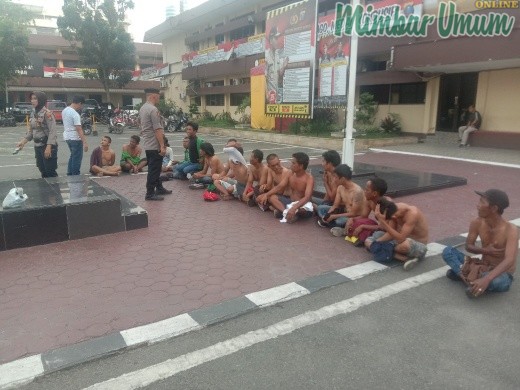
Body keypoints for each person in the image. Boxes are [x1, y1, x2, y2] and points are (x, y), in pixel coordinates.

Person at [442, 189, 518, 298]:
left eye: (482, 202)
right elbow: (469, 246)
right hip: (482, 265)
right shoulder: (476, 222)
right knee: (448, 251)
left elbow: (509, 260)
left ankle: (467, 276)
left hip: (502, 274)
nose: (478, 205)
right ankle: (470, 280)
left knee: (496, 282)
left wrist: (486, 279)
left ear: (494, 208)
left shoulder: (511, 229)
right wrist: (486, 250)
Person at [366, 198, 429, 271]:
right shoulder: (392, 211)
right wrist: (376, 243)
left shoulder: (412, 214)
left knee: (404, 245)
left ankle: (388, 252)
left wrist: (383, 222)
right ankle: (404, 258)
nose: (394, 217)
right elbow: (390, 234)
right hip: (398, 240)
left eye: (393, 216)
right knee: (369, 241)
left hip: (417, 245)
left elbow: (401, 239)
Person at [317, 164, 371, 236]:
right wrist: (328, 215)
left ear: (342, 179)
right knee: (320, 208)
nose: (334, 179)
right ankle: (330, 222)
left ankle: (336, 225)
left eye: (335, 177)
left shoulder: (357, 191)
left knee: (339, 221)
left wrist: (334, 216)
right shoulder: (340, 187)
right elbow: (335, 206)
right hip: (344, 212)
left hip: (354, 217)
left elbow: (353, 214)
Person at [16, 91, 58, 178]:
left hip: (46, 146)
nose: (32, 101)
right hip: (38, 146)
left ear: (41, 100)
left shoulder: (47, 113)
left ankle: (54, 191)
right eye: (31, 99)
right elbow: (31, 132)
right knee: (42, 170)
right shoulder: (34, 113)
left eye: (35, 99)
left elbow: (52, 131)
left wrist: (49, 147)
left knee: (50, 172)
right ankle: (45, 191)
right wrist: (23, 142)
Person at [139, 88, 171, 201]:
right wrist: (162, 145)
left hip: (148, 144)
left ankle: (159, 187)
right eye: (158, 96)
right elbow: (157, 129)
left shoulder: (143, 108)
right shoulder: (153, 109)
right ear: (153, 96)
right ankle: (150, 193)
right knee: (154, 169)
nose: (159, 98)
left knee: (155, 168)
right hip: (154, 145)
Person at [265, 152, 315, 223]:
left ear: (301, 166)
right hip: (290, 202)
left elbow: (307, 197)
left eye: (293, 163)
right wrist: (266, 195)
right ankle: (285, 213)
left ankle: (290, 213)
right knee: (272, 197)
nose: (291, 165)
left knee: (305, 209)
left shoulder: (309, 178)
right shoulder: (290, 173)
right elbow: (280, 186)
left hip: (302, 204)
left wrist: (294, 208)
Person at [347, 177, 388, 245]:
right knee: (355, 222)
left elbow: (383, 227)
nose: (364, 191)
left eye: (367, 190)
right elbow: (364, 216)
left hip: (389, 231)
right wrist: (352, 219)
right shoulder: (369, 200)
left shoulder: (386, 205)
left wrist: (362, 226)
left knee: (377, 234)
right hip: (379, 227)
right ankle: (360, 238)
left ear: (374, 193)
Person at [62, 95, 88, 175]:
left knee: (73, 156)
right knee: (77, 158)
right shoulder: (75, 114)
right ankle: (75, 175)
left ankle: (70, 174)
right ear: (79, 103)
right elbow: (79, 129)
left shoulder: (65, 110)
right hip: (75, 137)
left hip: (67, 136)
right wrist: (84, 142)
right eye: (82, 105)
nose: (81, 107)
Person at [265, 26, 288, 104]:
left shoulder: (278, 55)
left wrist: (284, 66)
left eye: (278, 38)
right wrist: (266, 97)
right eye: (275, 38)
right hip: (269, 97)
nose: (277, 41)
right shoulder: (266, 57)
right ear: (271, 40)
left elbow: (280, 74)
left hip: (277, 97)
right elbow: (263, 79)